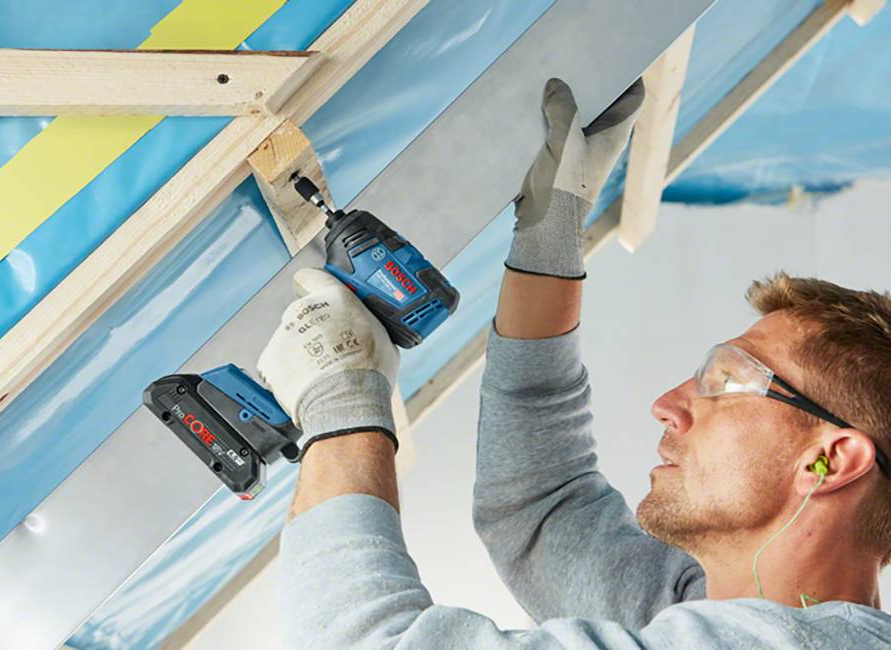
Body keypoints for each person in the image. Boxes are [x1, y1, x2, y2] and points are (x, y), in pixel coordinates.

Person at [256, 78, 891, 648]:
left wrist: (341, 413)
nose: (668, 406)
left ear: (828, 461)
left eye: (727, 382)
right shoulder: (728, 612)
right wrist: (550, 242)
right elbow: (540, 508)